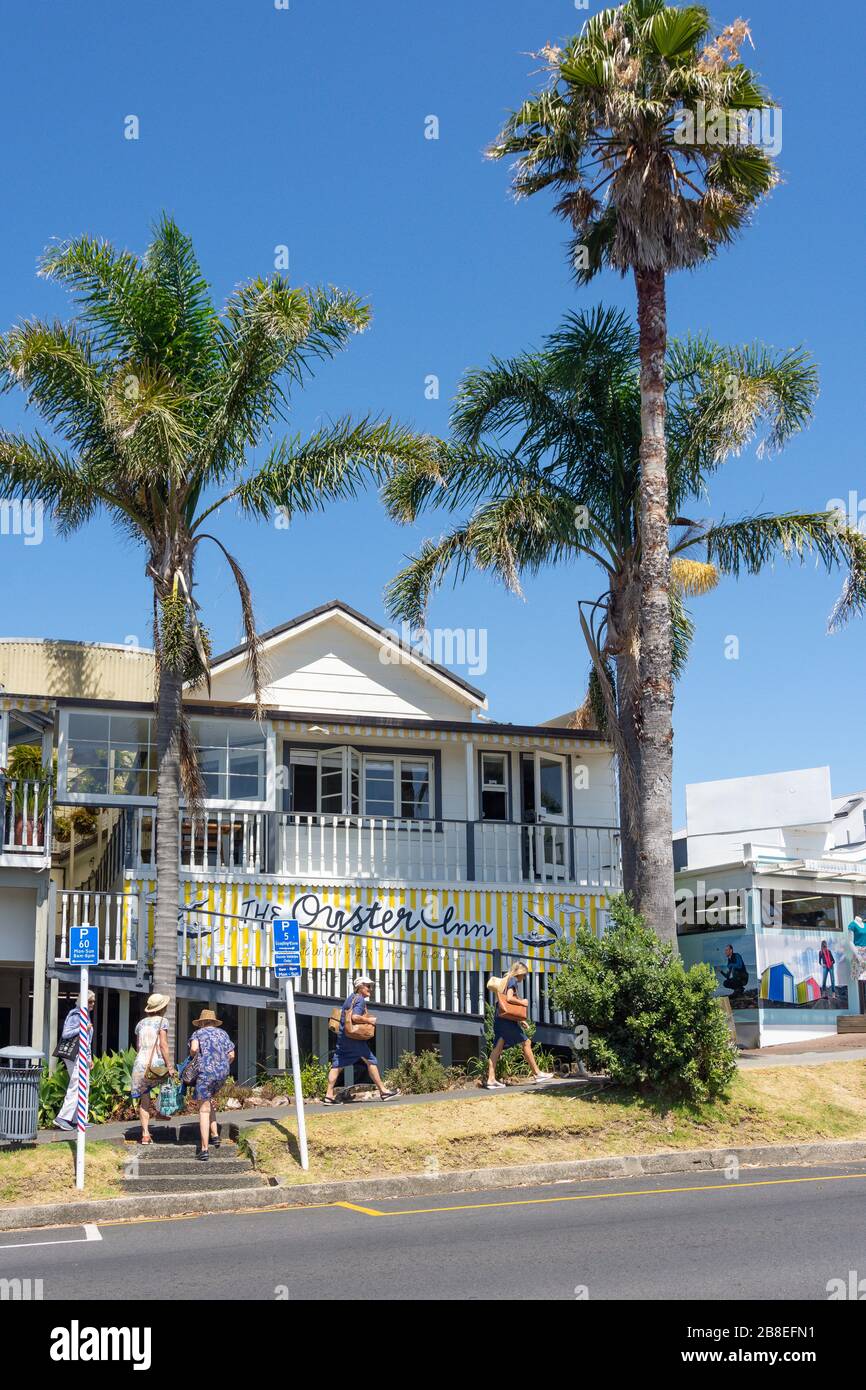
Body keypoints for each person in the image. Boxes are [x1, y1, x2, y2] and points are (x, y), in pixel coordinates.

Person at [323, 975, 398, 1104]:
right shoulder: (360, 1000)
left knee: (337, 1064)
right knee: (371, 1060)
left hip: (343, 1037)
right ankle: (383, 1091)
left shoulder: (350, 998)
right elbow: (355, 1017)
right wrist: (369, 1020)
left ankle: (329, 1095)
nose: (370, 989)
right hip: (354, 1039)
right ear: (360, 987)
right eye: (368, 986)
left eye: (371, 986)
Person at [485, 962, 553, 1089]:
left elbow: (507, 1006)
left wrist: (520, 1020)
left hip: (501, 1019)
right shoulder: (512, 981)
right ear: (520, 972)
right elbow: (510, 999)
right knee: (526, 1042)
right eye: (524, 974)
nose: (524, 977)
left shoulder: (505, 980)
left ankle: (491, 1079)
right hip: (506, 1022)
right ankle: (537, 1073)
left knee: (497, 1049)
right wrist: (522, 1001)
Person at [185, 1009, 235, 1160]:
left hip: (205, 1073)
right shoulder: (223, 1034)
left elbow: (194, 1049)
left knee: (203, 1110)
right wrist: (223, 1065)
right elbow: (232, 1055)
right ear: (214, 1022)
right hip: (222, 1073)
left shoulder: (198, 1034)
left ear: (201, 1023)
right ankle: (215, 1135)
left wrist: (196, 1056)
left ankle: (204, 1149)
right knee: (208, 1100)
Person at [130, 993, 174, 1145]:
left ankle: (145, 1134)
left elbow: (138, 1046)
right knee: (166, 1082)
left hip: (140, 1064)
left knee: (144, 1098)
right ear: (162, 1007)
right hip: (155, 1063)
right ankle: (161, 1112)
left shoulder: (140, 1024)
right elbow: (163, 1045)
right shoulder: (163, 1021)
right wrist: (169, 1065)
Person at [53, 991, 96, 1130]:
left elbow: (87, 1041)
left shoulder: (85, 1015)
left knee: (84, 1085)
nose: (93, 1004)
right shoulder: (75, 1014)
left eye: (94, 1001)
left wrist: (89, 1057)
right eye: (90, 1001)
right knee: (76, 1083)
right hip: (75, 1055)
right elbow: (66, 1033)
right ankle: (63, 1117)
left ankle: (79, 1119)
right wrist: (82, 1028)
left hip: (82, 1055)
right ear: (83, 1001)